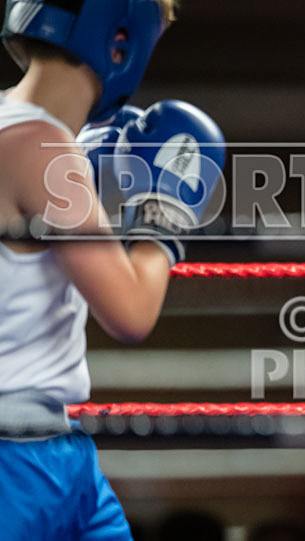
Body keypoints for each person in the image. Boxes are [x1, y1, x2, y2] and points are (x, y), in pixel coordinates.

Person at [0, 1, 224, 539]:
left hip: (62, 448)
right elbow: (131, 312)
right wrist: (163, 212)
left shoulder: (30, 135)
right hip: (16, 459)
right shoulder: (42, 147)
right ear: (120, 42)